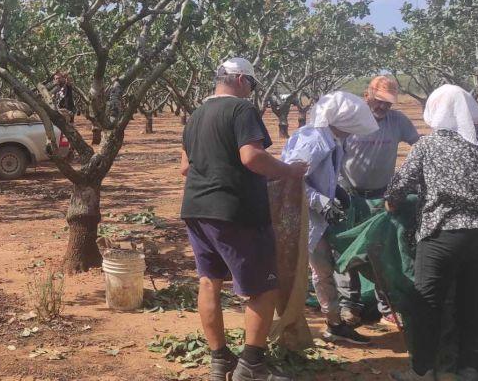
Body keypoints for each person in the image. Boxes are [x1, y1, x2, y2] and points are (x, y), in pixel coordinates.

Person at [386, 85, 478, 381]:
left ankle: (423, 371)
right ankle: (469, 369)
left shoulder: (428, 145)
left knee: (427, 303)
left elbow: (399, 188)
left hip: (443, 235)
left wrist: (391, 204)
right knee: (474, 302)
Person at [179, 57, 308, 381]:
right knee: (262, 290)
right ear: (239, 80)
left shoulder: (195, 115)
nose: (251, 91)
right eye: (251, 84)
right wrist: (289, 171)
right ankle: (251, 366)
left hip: (196, 210)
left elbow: (184, 166)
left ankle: (220, 359)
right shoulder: (242, 110)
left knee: (209, 282)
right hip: (236, 212)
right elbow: (251, 156)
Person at [280, 92, 378, 346]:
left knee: (323, 270)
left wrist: (335, 192)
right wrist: (319, 201)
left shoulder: (332, 140)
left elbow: (321, 176)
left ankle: (334, 324)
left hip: (316, 219)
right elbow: (289, 179)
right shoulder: (314, 142)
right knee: (298, 272)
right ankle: (287, 329)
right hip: (300, 218)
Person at [338, 76, 419, 327]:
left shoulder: (398, 121)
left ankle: (387, 308)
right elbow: (332, 152)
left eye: (389, 102)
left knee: (383, 251)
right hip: (349, 195)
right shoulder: (350, 120)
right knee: (346, 250)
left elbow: (419, 145)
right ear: (368, 95)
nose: (383, 106)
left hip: (382, 197)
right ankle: (348, 306)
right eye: (379, 100)